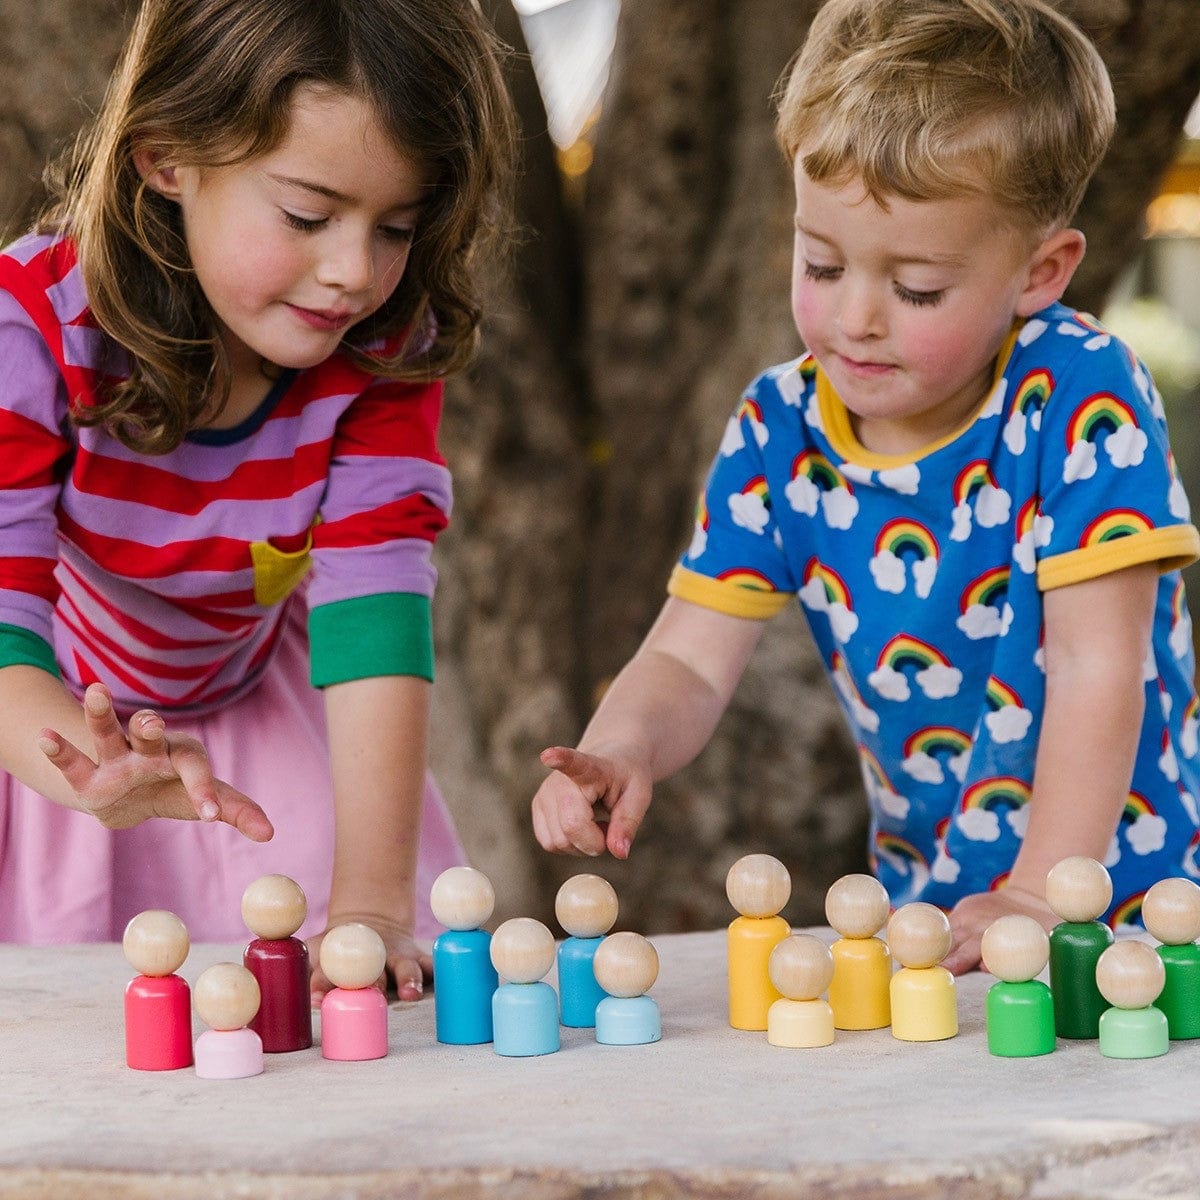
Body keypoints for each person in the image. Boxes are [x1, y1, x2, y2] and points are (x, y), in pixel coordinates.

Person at [531, 0, 1200, 973]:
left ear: (1039, 272)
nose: (855, 318)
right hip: (940, 907)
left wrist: (1042, 889)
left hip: (1135, 911)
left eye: (917, 287)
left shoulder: (1078, 394)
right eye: (822, 262)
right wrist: (623, 745)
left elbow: (1100, 665)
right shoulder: (780, 426)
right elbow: (690, 657)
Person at [0, 0, 515, 1002]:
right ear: (167, 157)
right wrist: (81, 771)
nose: (352, 273)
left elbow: (374, 607)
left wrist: (370, 906)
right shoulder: (34, 329)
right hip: (53, 721)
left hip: (267, 716)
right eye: (308, 215)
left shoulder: (377, 351)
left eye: (396, 227)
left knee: (325, 993)